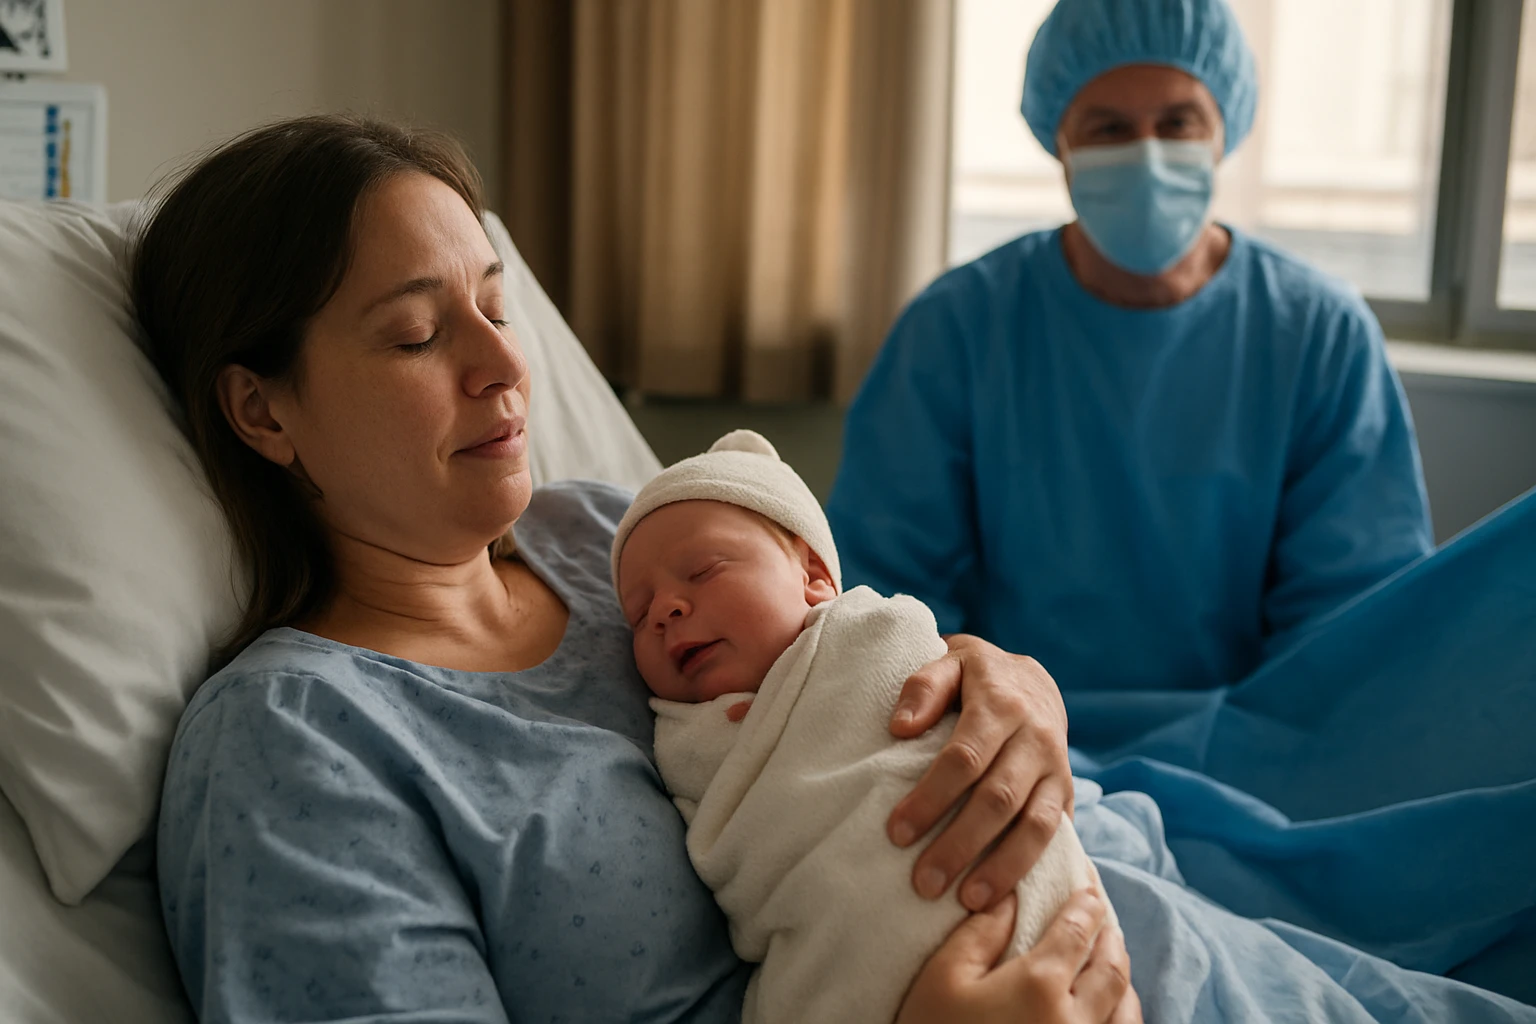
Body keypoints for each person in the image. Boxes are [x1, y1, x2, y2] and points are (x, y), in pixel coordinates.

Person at [135, 114, 1121, 1024]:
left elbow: (834, 663)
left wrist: (991, 675)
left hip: (1153, 909)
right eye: (418, 335)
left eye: (493, 305)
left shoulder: (607, 537)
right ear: (263, 412)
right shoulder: (296, 745)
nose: (505, 367)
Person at [827, 0, 1436, 701]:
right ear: (1059, 141)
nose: (1147, 153)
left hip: (1253, 740)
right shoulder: (958, 329)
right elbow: (892, 600)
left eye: (1178, 122)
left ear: (1223, 131)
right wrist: (989, 718)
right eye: (1109, 128)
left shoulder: (1319, 335)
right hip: (1005, 732)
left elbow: (1351, 620)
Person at [611, 430, 1121, 1024]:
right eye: (639, 614)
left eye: (704, 570)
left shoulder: (872, 631)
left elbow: (964, 698)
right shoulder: (680, 741)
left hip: (1024, 915)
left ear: (815, 578)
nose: (666, 610)